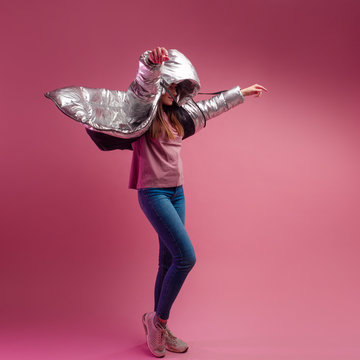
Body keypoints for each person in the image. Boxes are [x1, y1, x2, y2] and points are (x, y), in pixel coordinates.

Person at [128, 46, 268, 358]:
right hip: (153, 193)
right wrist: (151, 64)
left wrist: (241, 93)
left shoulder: (178, 117)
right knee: (185, 258)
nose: (176, 91)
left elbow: (212, 107)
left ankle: (157, 325)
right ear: (163, 84)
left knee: (167, 262)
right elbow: (144, 86)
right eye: (172, 85)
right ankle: (158, 320)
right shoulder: (143, 114)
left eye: (179, 87)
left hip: (177, 192)